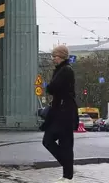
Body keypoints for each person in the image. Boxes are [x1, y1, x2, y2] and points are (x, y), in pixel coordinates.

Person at [41, 45, 78, 182]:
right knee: (51, 141)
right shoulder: (61, 70)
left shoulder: (65, 70)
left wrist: (50, 87)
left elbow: (52, 88)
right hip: (61, 112)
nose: (53, 59)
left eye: (55, 56)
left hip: (64, 113)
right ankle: (68, 169)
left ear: (62, 56)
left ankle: (67, 175)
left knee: (63, 143)